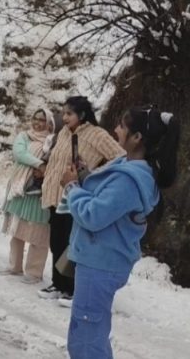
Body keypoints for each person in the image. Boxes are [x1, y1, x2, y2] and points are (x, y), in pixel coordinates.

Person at [63, 107, 178, 359]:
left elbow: (93, 215)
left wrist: (71, 187)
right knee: (88, 331)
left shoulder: (129, 180)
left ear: (137, 137)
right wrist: (84, 176)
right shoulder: (129, 166)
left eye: (122, 127)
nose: (116, 130)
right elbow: (107, 200)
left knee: (86, 340)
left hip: (100, 265)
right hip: (100, 261)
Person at [39, 96, 124, 306]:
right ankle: (58, 284)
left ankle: (73, 288)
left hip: (75, 197)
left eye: (69, 113)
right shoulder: (64, 132)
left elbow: (120, 157)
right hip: (54, 195)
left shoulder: (97, 135)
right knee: (56, 242)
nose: (64, 117)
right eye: (63, 112)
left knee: (73, 245)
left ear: (82, 115)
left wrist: (93, 174)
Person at [0, 109, 57, 283]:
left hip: (39, 191)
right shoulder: (24, 136)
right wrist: (39, 164)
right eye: (35, 119)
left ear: (49, 123)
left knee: (38, 231)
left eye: (42, 120)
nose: (37, 123)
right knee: (17, 228)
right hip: (20, 187)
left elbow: (54, 161)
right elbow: (19, 154)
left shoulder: (52, 140)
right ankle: (14, 265)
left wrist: (45, 170)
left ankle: (34, 272)